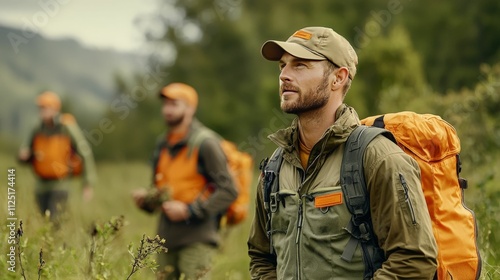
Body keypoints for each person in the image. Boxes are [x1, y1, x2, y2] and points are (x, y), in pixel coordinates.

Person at [248, 26, 438, 279]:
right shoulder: (276, 165)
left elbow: (414, 261)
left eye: (300, 65)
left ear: (338, 78)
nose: (284, 75)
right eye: (282, 65)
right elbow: (261, 258)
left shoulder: (377, 156)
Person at [132, 82, 238, 280]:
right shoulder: (162, 144)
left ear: (190, 108)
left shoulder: (206, 143)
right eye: (165, 104)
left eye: (175, 104)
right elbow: (161, 192)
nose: (167, 110)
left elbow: (229, 190)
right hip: (164, 241)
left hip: (197, 240)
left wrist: (190, 211)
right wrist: (147, 200)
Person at [18, 91, 96, 224]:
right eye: (40, 108)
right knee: (43, 223)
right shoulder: (37, 128)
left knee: (56, 222)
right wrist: (24, 155)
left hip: (60, 184)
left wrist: (88, 183)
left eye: (45, 107)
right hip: (41, 185)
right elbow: (24, 154)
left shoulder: (66, 127)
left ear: (55, 109)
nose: (42, 111)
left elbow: (85, 152)